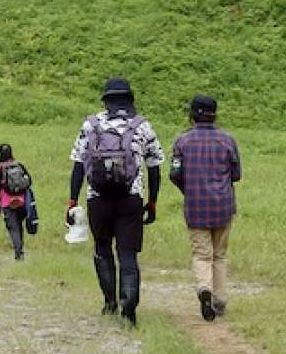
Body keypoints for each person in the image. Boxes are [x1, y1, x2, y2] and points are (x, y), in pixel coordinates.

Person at [67, 77, 164, 327]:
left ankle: (110, 301)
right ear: (129, 100)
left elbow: (78, 165)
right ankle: (129, 307)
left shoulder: (90, 125)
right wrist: (152, 202)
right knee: (128, 255)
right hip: (130, 199)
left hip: (97, 199)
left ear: (106, 100)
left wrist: (72, 200)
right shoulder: (142, 126)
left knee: (102, 248)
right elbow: (154, 168)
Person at [170, 95, 242, 322]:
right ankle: (219, 300)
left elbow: (174, 173)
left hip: (196, 206)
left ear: (192, 116)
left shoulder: (182, 142)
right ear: (215, 115)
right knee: (219, 255)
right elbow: (237, 174)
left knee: (202, 255)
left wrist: (188, 188)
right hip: (223, 205)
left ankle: (204, 288)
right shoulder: (228, 140)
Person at [0, 144, 33, 260]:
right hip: (21, 201)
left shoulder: (0, 169)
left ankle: (18, 253)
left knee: (13, 228)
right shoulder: (19, 165)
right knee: (19, 226)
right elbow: (29, 181)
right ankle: (20, 251)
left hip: (7, 202)